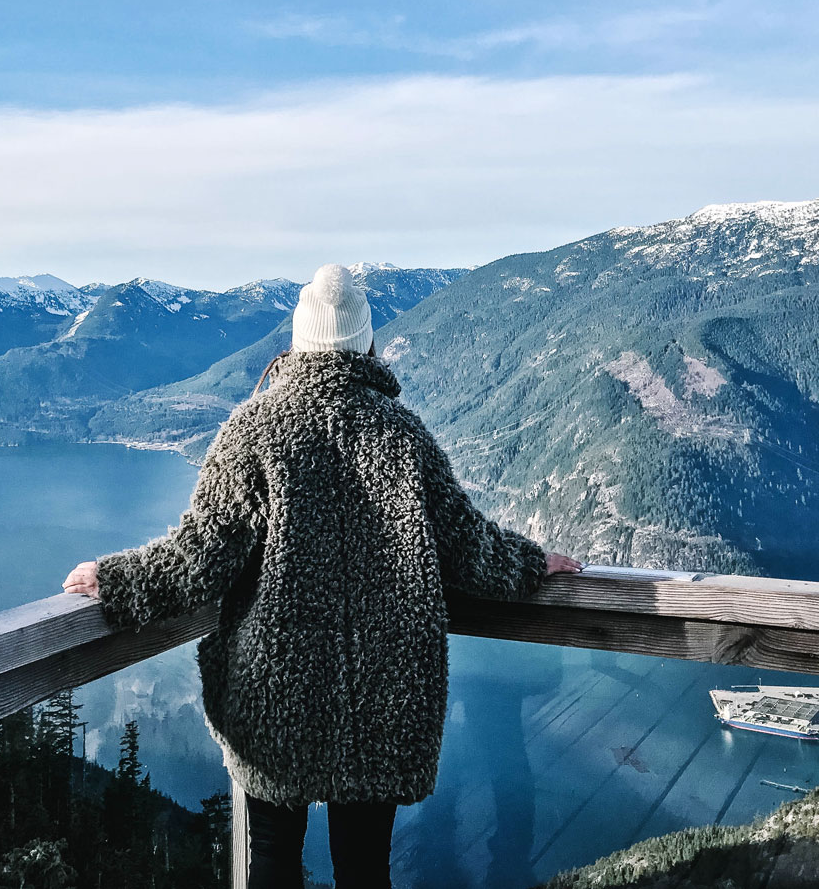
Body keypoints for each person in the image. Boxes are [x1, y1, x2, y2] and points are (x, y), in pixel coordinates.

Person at [64, 263, 581, 888]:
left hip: (275, 695)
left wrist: (116, 580)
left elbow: (199, 558)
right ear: (367, 343)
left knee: (272, 864)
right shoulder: (402, 435)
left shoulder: (253, 431)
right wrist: (534, 562)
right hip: (384, 699)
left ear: (297, 342)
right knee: (365, 869)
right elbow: (469, 551)